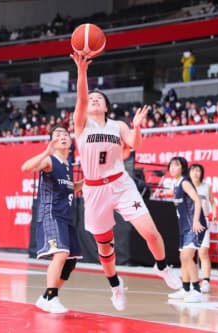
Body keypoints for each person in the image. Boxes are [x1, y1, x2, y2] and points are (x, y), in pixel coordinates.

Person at [70, 52, 182, 311]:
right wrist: (82, 71)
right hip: (95, 190)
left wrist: (138, 127)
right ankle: (115, 286)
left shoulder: (118, 126)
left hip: (120, 184)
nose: (94, 100)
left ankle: (162, 267)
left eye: (100, 98)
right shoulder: (81, 125)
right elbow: (81, 97)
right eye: (92, 98)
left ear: (107, 107)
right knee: (105, 246)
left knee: (151, 233)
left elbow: (134, 143)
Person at [21, 125, 84, 313]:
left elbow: (71, 187)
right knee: (61, 253)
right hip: (51, 214)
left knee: (70, 261)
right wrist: (44, 152)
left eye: (65, 134)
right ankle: (52, 296)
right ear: (52, 142)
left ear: (71, 143)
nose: (63, 136)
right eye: (58, 135)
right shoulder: (49, 160)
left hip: (66, 217)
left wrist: (89, 181)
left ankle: (46, 297)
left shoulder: (67, 165)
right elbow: (25, 168)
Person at [167, 156, 207, 303]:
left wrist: (196, 220)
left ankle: (196, 290)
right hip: (184, 226)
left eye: (176, 165)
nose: (172, 168)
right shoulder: (176, 184)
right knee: (182, 258)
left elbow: (197, 200)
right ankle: (185, 288)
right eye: (170, 166)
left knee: (186, 257)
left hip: (194, 225)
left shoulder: (184, 183)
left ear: (183, 168)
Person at [189, 163, 217, 293]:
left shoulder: (207, 187)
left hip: (203, 220)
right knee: (189, 253)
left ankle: (206, 281)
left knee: (203, 252)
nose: (195, 173)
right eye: (193, 171)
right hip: (189, 222)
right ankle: (191, 280)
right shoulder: (186, 186)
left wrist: (215, 213)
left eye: (198, 171)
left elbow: (212, 202)